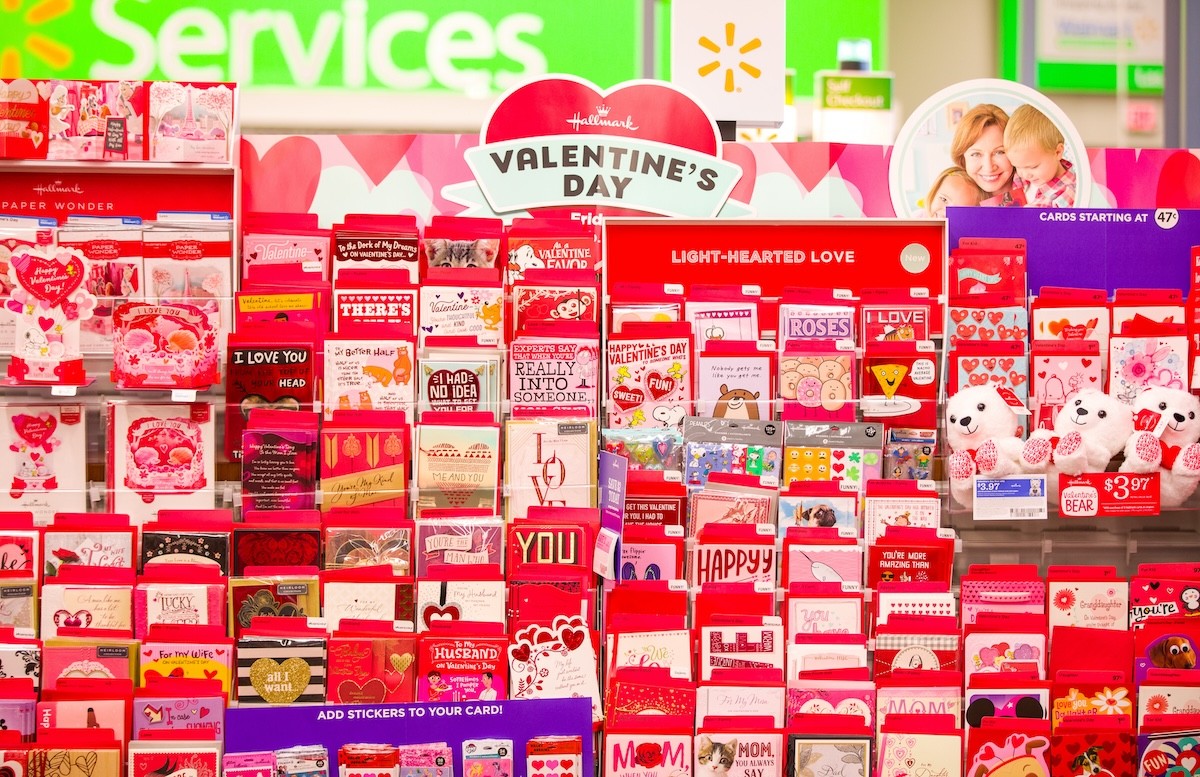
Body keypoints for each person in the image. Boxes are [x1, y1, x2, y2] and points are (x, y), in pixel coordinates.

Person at [1003, 104, 1076, 208]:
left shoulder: (1067, 196)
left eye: (1033, 167)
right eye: (1017, 166)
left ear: (1058, 152)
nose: (1025, 175)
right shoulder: (1022, 176)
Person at [949, 104, 1023, 206]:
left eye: (999, 152)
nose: (989, 168)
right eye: (976, 154)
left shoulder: (1038, 191)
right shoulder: (951, 195)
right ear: (962, 157)